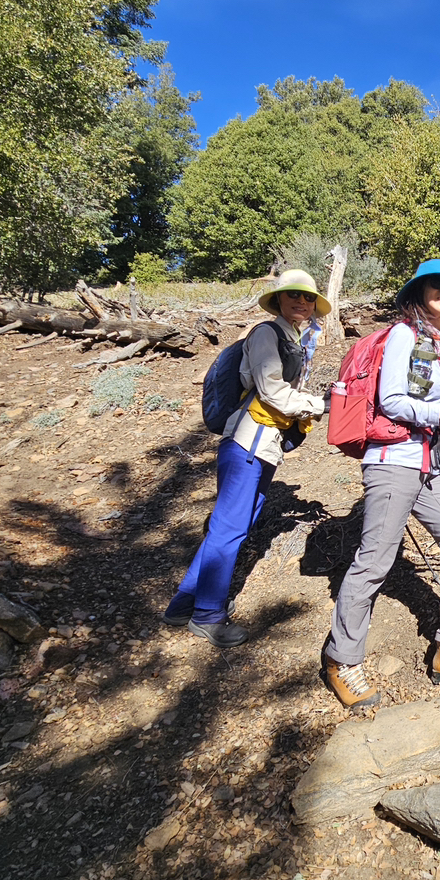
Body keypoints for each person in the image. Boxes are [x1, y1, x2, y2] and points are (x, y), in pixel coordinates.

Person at [323, 258, 440, 711]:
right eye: (436, 284)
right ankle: (341, 659)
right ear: (419, 293)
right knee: (375, 561)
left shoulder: (439, 346)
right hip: (393, 463)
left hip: (429, 466)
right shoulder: (405, 335)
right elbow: (391, 401)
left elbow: (423, 405)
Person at [163, 270, 328, 647]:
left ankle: (183, 604)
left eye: (308, 298)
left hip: (262, 444)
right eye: (293, 295)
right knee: (229, 528)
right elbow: (272, 392)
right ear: (279, 300)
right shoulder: (267, 334)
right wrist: (321, 404)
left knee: (234, 523)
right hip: (247, 443)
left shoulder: (293, 339)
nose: (302, 302)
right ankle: (207, 616)